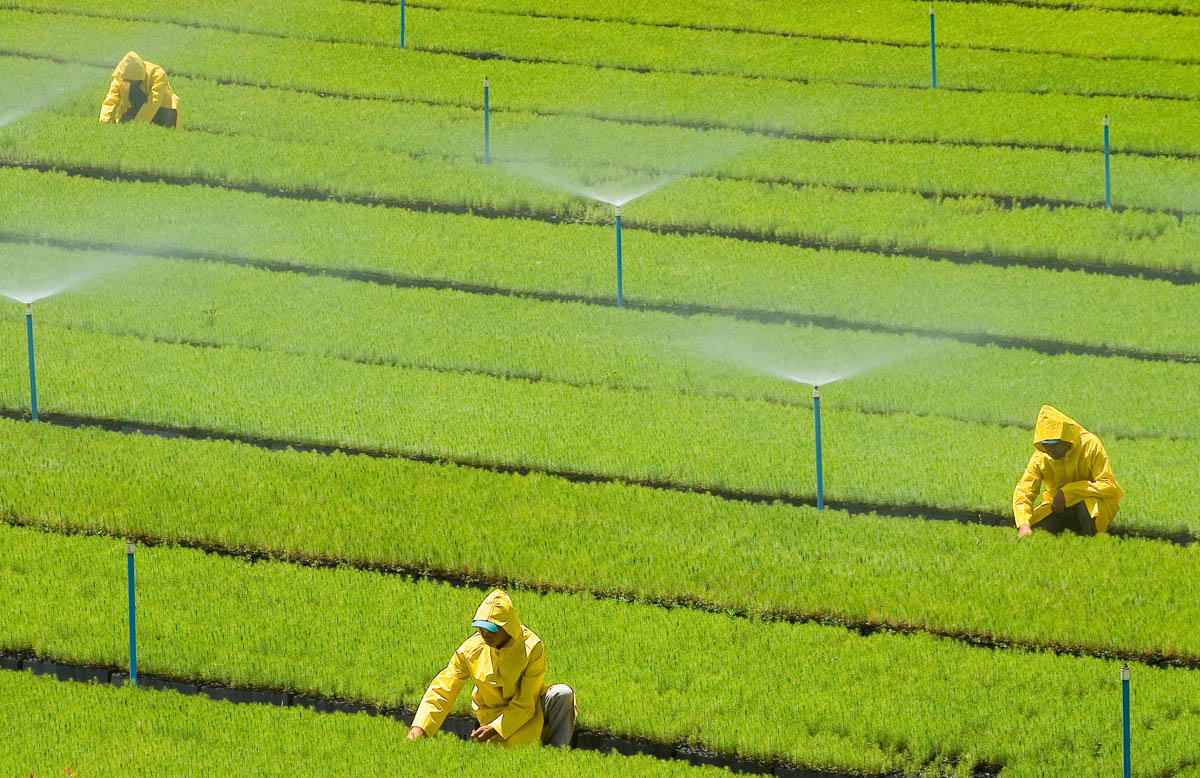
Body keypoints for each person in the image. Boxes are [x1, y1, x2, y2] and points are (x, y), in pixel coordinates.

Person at [407, 589, 576, 747]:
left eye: (492, 631)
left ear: (508, 628)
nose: (486, 636)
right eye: (481, 629)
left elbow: (526, 703)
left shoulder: (531, 647)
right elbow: (443, 689)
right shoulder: (470, 650)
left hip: (529, 708)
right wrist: (420, 727)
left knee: (563, 694)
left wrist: (495, 729)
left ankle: (557, 753)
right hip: (491, 713)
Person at [1013, 405, 1123, 538]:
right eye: (1045, 446)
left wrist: (1068, 492)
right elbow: (1024, 491)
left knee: (1086, 508)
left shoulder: (1090, 445)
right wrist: (1024, 525)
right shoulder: (1041, 457)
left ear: (1066, 439)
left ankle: (1090, 542)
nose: (1050, 451)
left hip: (1095, 503)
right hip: (1059, 506)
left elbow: (1108, 486)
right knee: (1035, 529)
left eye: (1054, 445)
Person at [99, 51, 181, 129]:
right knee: (125, 122)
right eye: (127, 81)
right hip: (136, 106)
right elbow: (111, 99)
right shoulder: (121, 77)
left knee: (164, 126)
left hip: (163, 109)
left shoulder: (157, 74)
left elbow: (153, 103)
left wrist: (137, 126)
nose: (128, 83)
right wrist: (105, 122)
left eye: (132, 81)